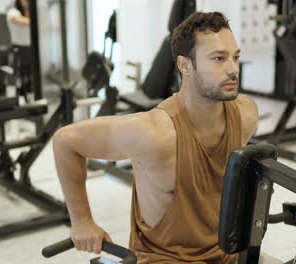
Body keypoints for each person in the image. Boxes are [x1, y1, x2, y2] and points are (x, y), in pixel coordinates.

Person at [53, 12, 277, 264]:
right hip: (164, 259)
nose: (232, 69)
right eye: (218, 58)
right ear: (185, 65)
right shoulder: (154, 132)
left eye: (235, 57)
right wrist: (82, 222)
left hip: (225, 253)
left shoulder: (246, 114)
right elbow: (66, 141)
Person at [6, 0, 32, 98]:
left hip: (31, 48)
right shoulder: (12, 12)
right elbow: (26, 22)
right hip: (20, 48)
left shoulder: (32, 12)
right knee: (24, 70)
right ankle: (24, 90)